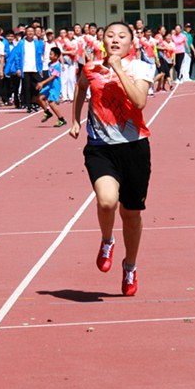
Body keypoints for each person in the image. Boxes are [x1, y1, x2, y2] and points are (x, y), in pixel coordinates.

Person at [69, 21, 156, 296]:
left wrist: (118, 69)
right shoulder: (91, 68)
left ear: (132, 42)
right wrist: (75, 119)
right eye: (110, 35)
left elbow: (139, 101)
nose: (115, 40)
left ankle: (130, 266)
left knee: (131, 213)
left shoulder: (141, 68)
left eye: (122, 36)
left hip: (134, 148)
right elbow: (81, 88)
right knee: (106, 201)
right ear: (102, 40)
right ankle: (107, 240)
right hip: (101, 148)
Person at [37, 46, 66, 127]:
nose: (49, 56)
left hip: (55, 86)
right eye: (49, 54)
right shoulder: (50, 64)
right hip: (50, 85)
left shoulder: (57, 65)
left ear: (56, 56)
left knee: (51, 103)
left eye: (51, 54)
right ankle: (47, 112)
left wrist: (42, 83)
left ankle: (61, 119)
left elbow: (53, 77)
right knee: (40, 97)